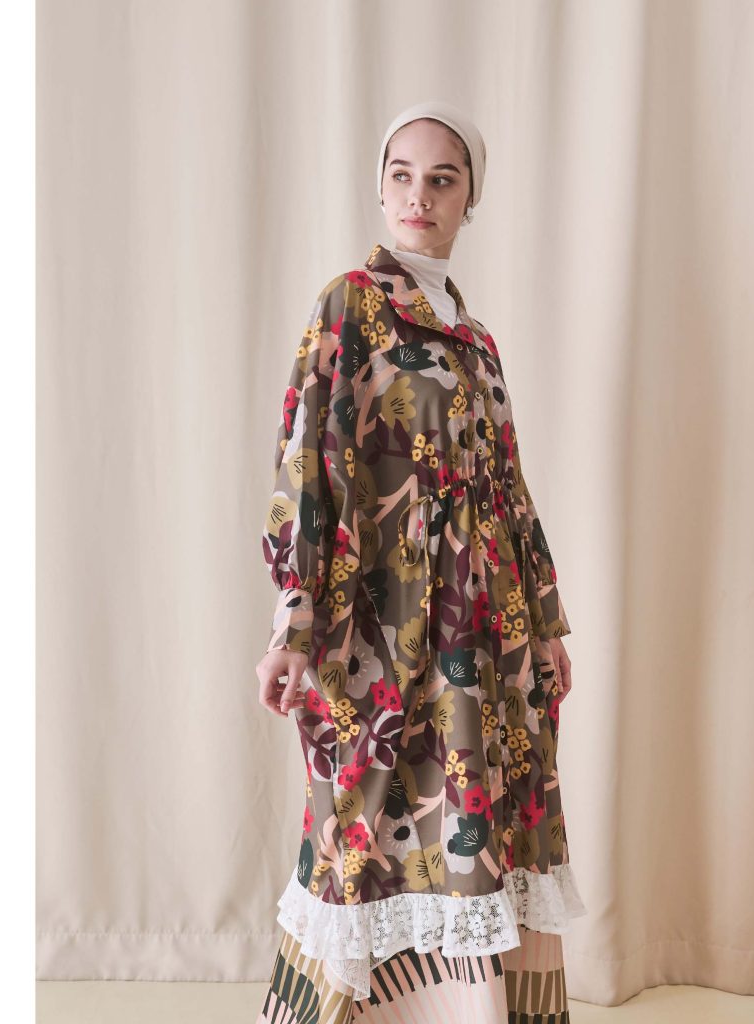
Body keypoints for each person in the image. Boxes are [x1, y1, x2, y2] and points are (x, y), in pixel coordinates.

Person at [253, 100, 586, 1022]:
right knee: (370, 837)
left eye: (442, 179)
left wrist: (545, 626)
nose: (419, 196)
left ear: (469, 198)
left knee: (476, 828)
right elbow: (307, 467)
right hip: (382, 629)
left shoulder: (476, 341)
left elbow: (508, 489)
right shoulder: (349, 305)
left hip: (487, 636)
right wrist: (293, 620)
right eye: (402, 174)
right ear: (380, 185)